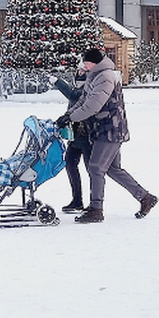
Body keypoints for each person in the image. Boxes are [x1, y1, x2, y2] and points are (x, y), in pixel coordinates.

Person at [55, 48, 157, 224]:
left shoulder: (106, 77)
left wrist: (71, 117)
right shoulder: (94, 75)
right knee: (112, 169)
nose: (83, 65)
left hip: (110, 129)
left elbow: (93, 105)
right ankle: (145, 197)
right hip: (103, 129)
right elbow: (83, 100)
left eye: (86, 62)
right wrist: (68, 114)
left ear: (94, 62)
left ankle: (96, 209)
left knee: (95, 167)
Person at [52, 66, 92, 213]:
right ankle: (77, 200)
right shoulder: (79, 87)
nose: (80, 72)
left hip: (87, 136)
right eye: (79, 70)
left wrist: (57, 81)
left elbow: (72, 95)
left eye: (83, 71)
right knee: (70, 164)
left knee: (91, 170)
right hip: (75, 136)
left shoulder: (87, 89)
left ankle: (95, 203)